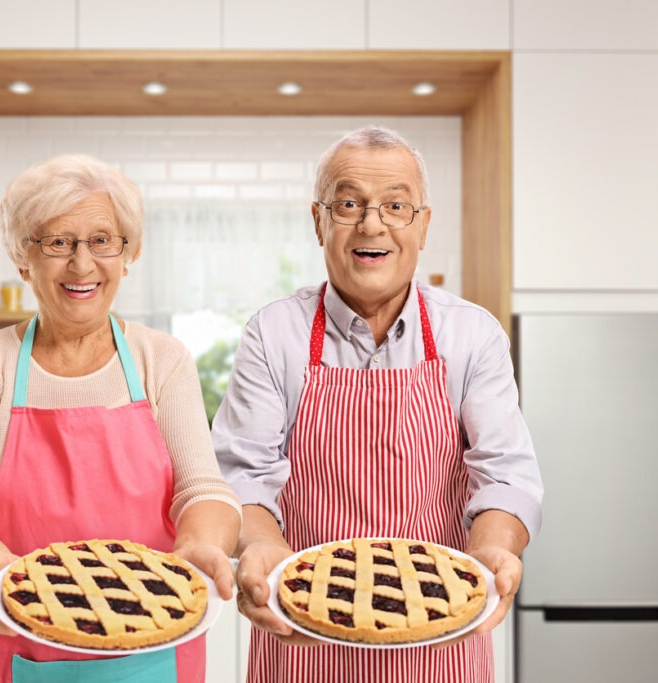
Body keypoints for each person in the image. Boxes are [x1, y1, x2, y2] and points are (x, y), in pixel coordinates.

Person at [212, 126, 543, 682]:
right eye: (348, 204)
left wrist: (492, 550)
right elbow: (245, 475)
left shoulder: (472, 335)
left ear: (423, 224)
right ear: (318, 220)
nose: (372, 224)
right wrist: (262, 549)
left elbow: (504, 474)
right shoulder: (274, 334)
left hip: (440, 639)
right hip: (302, 635)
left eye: (396, 205)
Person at [0, 154, 241, 683]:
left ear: (127, 252)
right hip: (13, 643)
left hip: (151, 646)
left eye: (101, 241)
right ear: (24, 260)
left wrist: (203, 542)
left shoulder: (162, 360)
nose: (83, 264)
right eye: (58, 243)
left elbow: (202, 489)